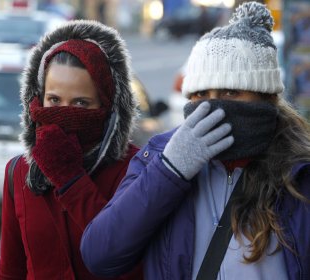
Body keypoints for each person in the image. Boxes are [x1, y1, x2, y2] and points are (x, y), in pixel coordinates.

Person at [81, 2, 310, 280]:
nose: (212, 107)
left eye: (230, 91)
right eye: (200, 94)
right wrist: (169, 171)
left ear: (265, 97)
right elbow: (100, 256)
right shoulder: (158, 157)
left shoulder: (300, 173)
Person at [0, 20, 143, 280]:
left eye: (80, 103)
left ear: (106, 107)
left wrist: (71, 180)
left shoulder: (135, 170)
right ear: (37, 98)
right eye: (53, 100)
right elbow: (11, 270)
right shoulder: (18, 173)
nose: (64, 112)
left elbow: (124, 258)